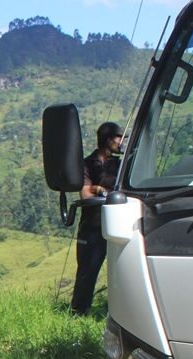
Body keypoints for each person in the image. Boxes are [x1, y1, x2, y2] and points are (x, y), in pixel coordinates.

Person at [71, 121, 123, 315]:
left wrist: (100, 189)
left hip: (118, 223)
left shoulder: (120, 165)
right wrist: (106, 191)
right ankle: (79, 312)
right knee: (87, 271)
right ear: (109, 140)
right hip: (92, 225)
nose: (121, 142)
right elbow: (86, 194)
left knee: (122, 272)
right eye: (119, 138)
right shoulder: (87, 164)